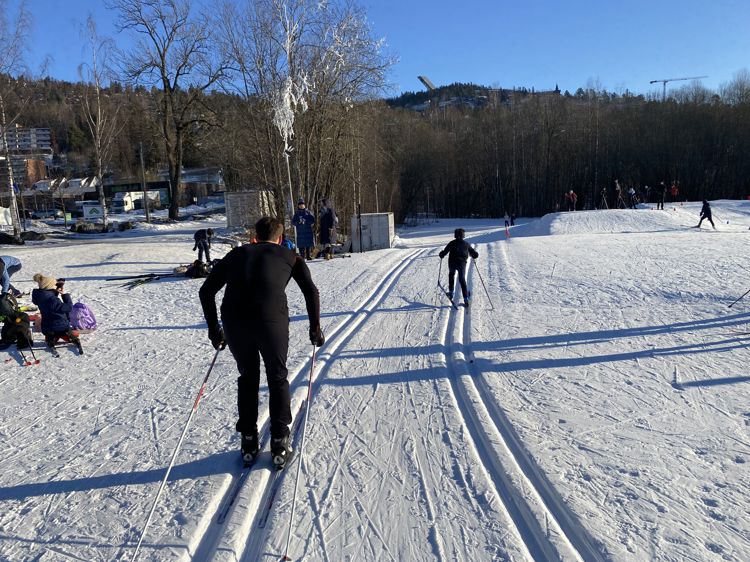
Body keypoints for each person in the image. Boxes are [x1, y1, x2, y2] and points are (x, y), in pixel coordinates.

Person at [199, 216, 324, 469]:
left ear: (253, 236)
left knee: (248, 376)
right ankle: (279, 440)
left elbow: (206, 291)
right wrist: (315, 327)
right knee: (277, 377)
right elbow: (311, 290)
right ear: (280, 237)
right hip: (271, 322)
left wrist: (214, 329)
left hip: (235, 322)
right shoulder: (290, 256)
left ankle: (248, 440)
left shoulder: (234, 255)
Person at [31, 273, 81, 350]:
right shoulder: (53, 300)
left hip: (47, 328)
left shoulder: (38, 296)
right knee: (75, 333)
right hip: (62, 327)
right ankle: (65, 336)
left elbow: (50, 301)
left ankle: (52, 338)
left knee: (53, 332)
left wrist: (55, 292)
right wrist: (64, 295)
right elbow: (69, 307)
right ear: (50, 287)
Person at [439, 228, 479, 308]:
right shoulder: (466, 244)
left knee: (451, 275)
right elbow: (475, 255)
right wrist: (475, 254)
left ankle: (451, 292)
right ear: (463, 235)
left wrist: (441, 254)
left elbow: (444, 252)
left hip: (452, 263)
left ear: (455, 235)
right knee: (462, 279)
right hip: (461, 264)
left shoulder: (452, 243)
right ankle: (466, 299)